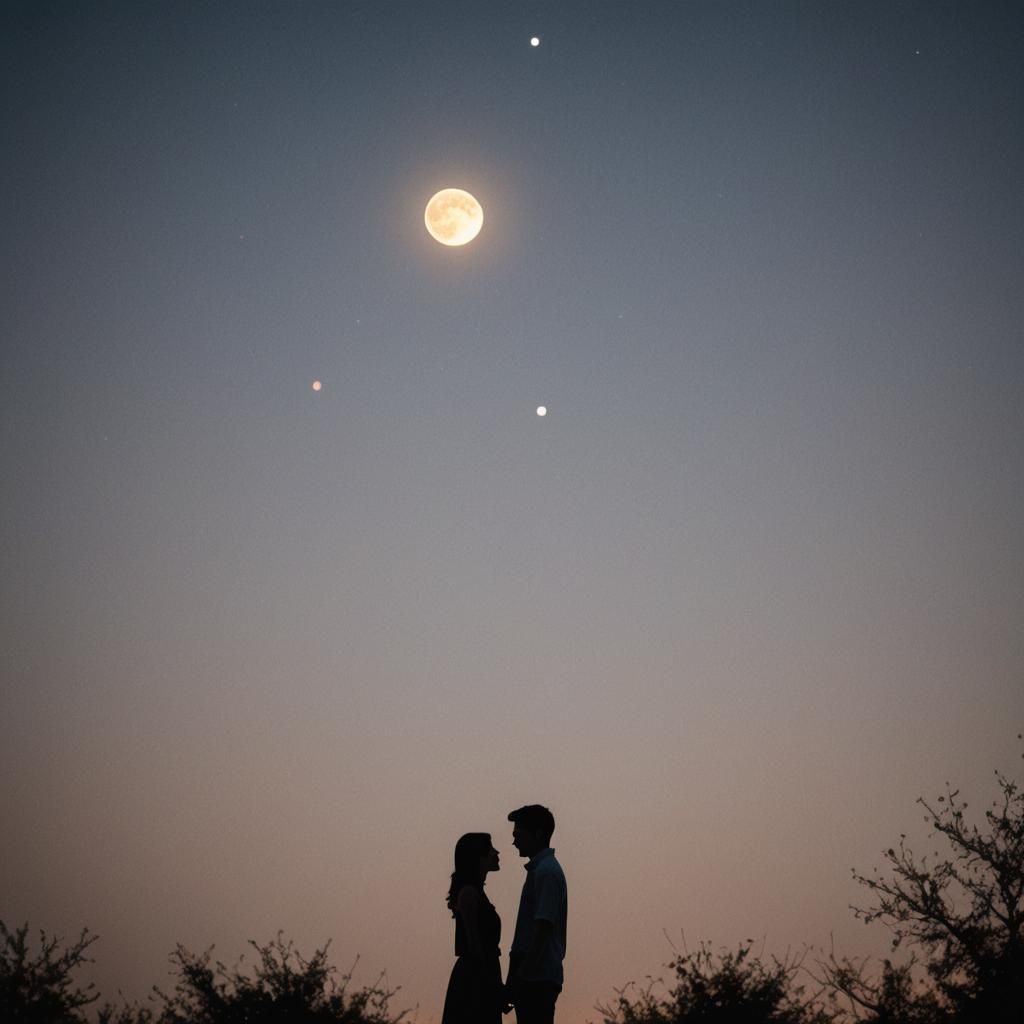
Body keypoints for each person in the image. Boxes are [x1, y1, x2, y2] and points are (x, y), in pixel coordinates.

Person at [505, 805, 568, 1024]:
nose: (514, 842)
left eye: (518, 834)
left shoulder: (546, 873)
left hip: (537, 978)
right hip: (533, 976)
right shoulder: (541, 871)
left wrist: (522, 975)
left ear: (538, 833)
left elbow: (542, 928)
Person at [442, 833, 504, 1024]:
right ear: (478, 856)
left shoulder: (475, 893)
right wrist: (492, 986)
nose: (496, 852)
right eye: (490, 849)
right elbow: (474, 945)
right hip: (474, 981)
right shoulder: (469, 893)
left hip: (481, 975)